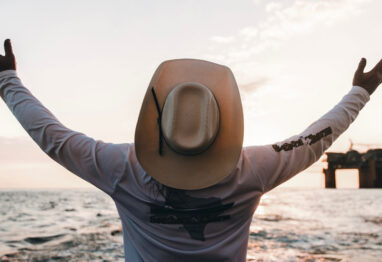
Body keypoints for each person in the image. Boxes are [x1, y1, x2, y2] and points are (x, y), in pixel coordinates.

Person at [0, 38, 381, 262]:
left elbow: (53, 138)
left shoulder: (123, 168)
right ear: (222, 124)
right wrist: (361, 91)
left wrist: (7, 81)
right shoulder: (254, 168)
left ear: (158, 121)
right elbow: (316, 139)